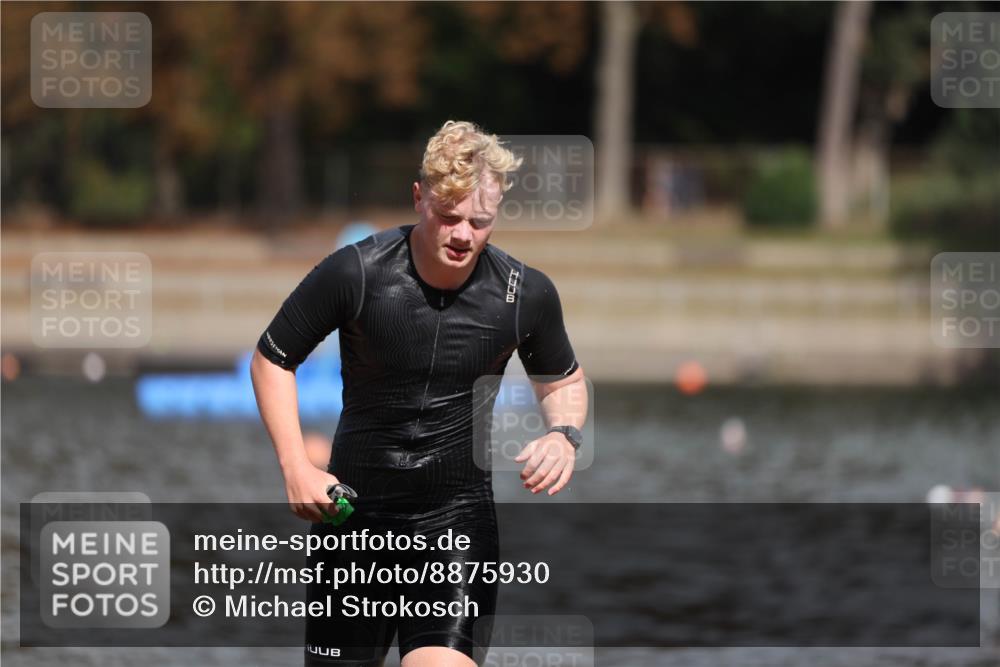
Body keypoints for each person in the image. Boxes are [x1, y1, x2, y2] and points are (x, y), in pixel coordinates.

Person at [251, 120, 589, 667]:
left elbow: (564, 381)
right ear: (418, 197)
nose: (463, 235)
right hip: (352, 522)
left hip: (455, 524)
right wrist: (295, 466)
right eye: (449, 217)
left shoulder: (524, 294)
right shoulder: (356, 272)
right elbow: (272, 359)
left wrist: (563, 433)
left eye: (480, 222)